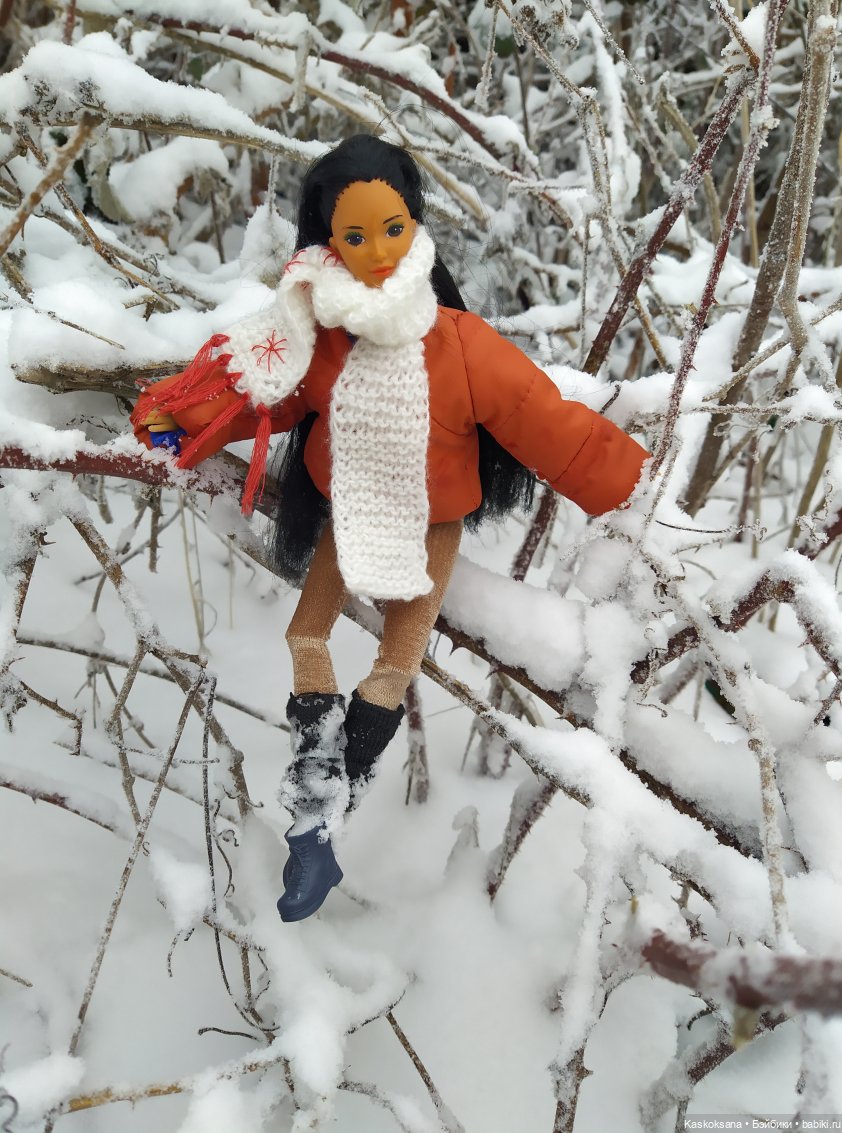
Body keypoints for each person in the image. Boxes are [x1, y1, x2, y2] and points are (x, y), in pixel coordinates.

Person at [131, 134, 649, 922]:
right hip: (351, 507)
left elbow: (541, 418)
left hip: (431, 522)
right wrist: (184, 415)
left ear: (415, 223)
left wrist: (628, 483)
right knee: (306, 636)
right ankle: (316, 795)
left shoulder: (461, 343)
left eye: (393, 229)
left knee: (393, 663)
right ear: (328, 240)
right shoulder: (318, 335)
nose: (377, 251)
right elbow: (269, 395)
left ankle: (328, 809)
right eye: (356, 235)